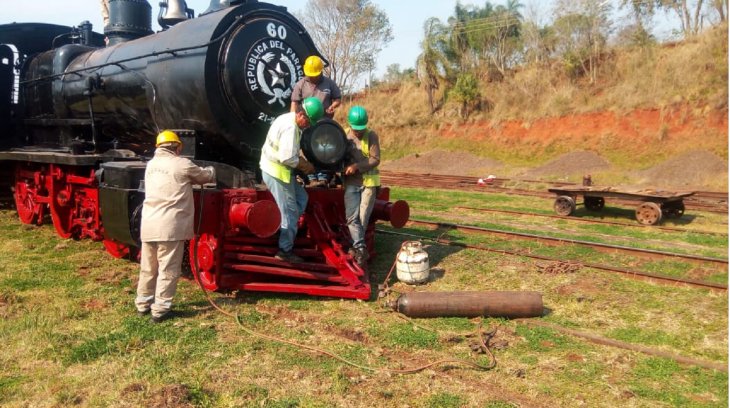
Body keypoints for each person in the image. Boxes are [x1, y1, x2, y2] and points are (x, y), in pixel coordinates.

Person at [136, 130, 216, 323]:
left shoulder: (151, 165)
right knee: (168, 269)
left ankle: (142, 304)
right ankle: (161, 310)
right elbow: (205, 177)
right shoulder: (182, 164)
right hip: (169, 227)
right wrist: (212, 170)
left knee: (148, 267)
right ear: (177, 147)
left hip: (149, 224)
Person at [260, 97, 324, 263]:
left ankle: (287, 229)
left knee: (302, 198)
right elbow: (286, 157)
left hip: (278, 170)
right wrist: (305, 166)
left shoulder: (288, 118)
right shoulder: (290, 127)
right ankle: (284, 250)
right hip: (277, 172)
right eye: (308, 121)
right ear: (301, 114)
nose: (308, 125)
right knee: (289, 212)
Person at [291, 56, 342, 187]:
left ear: (321, 71)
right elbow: (294, 103)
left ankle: (323, 177)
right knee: (306, 149)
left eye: (315, 75)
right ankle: (311, 177)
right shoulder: (300, 84)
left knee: (324, 150)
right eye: (310, 75)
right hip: (306, 123)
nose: (312, 77)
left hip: (324, 124)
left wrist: (333, 106)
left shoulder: (329, 84)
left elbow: (338, 99)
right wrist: (292, 118)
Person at [342, 106, 381, 266]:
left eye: (361, 129)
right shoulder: (344, 135)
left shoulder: (371, 136)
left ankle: (356, 249)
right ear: (349, 125)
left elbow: (375, 159)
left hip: (368, 183)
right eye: (355, 129)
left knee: (362, 219)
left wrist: (357, 166)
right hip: (351, 182)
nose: (358, 132)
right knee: (352, 218)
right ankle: (360, 250)